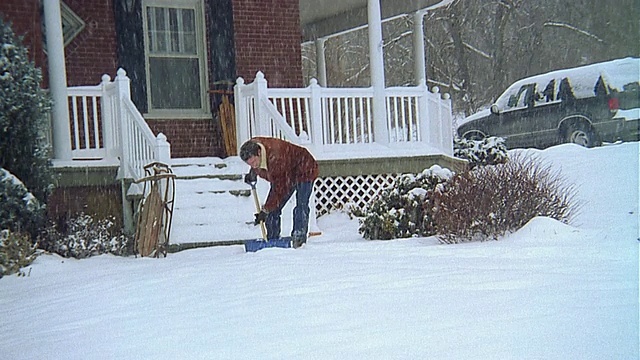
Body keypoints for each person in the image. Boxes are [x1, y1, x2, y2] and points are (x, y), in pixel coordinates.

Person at [240, 137, 319, 248]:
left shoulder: (276, 157)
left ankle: (299, 238)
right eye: (250, 164)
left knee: (301, 205)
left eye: (253, 162)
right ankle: (272, 239)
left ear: (259, 153)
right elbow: (277, 183)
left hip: (304, 168)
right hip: (285, 173)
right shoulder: (254, 148)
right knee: (273, 210)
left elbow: (279, 189)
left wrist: (266, 210)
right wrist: (252, 172)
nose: (253, 165)